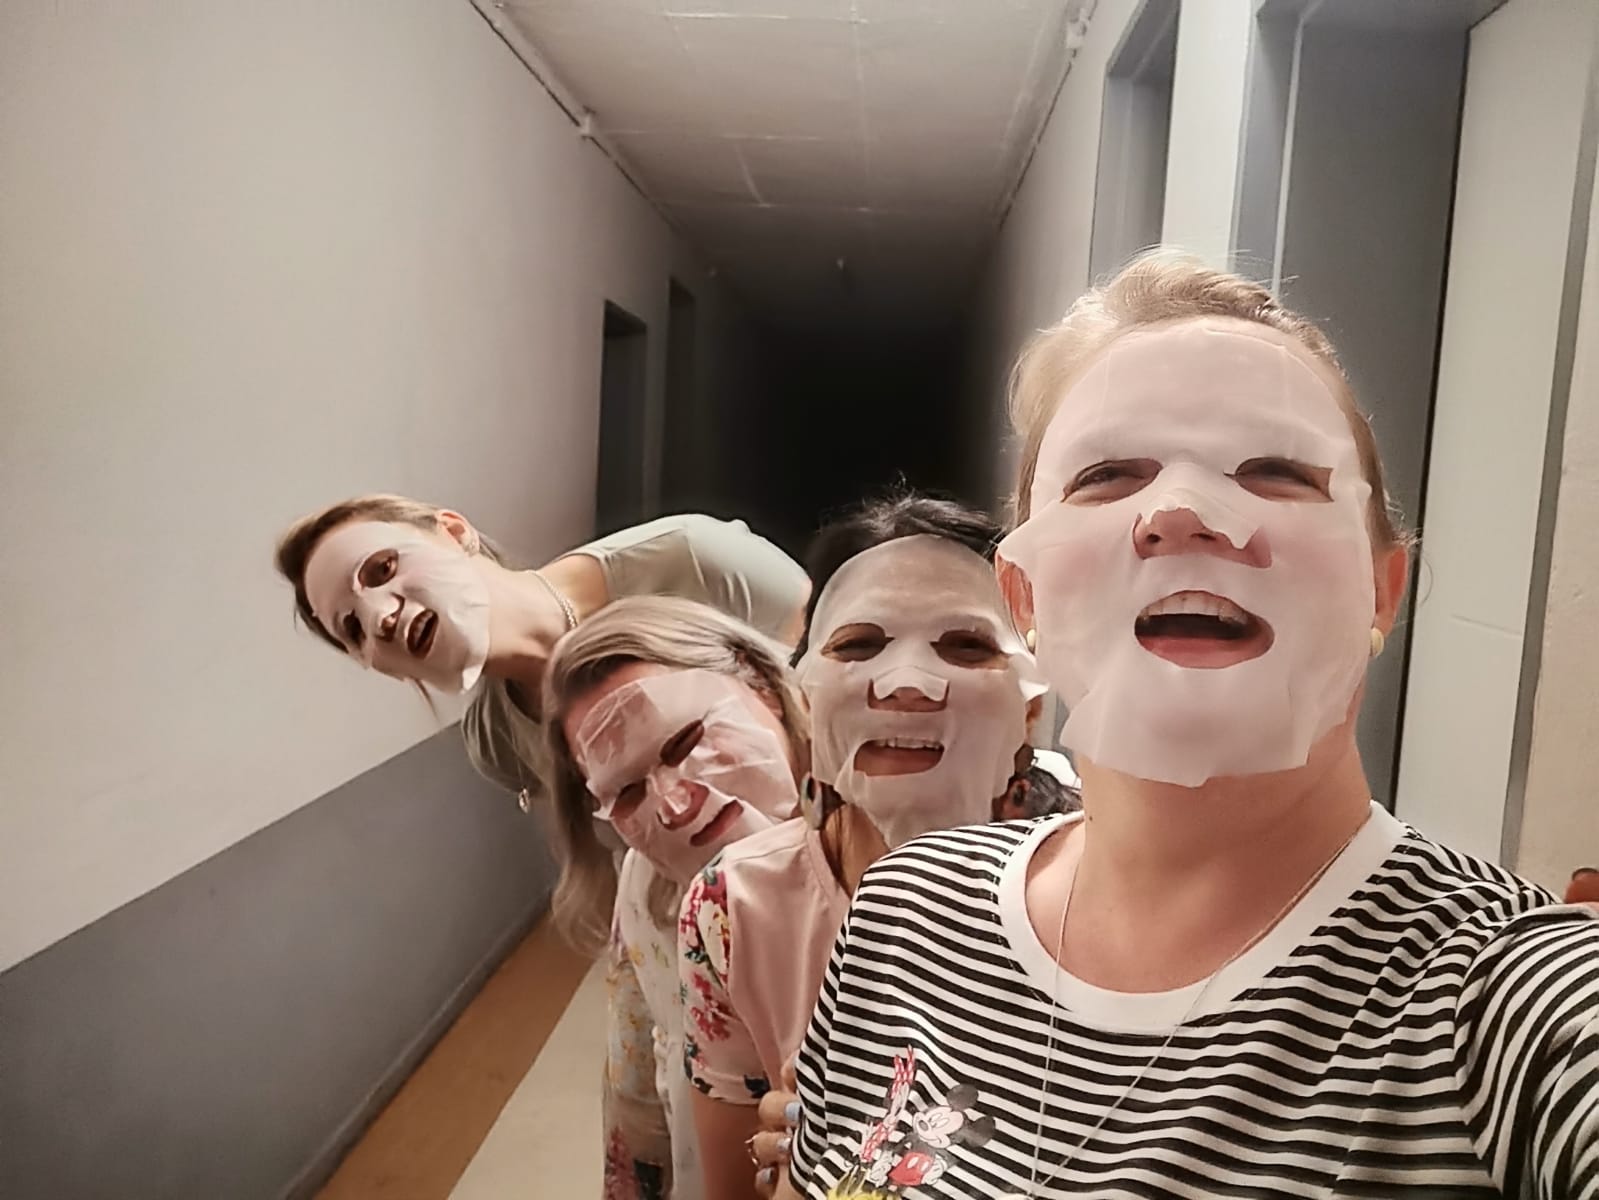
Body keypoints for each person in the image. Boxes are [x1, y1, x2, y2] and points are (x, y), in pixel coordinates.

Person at [759, 253, 1598, 1198]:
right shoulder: (906, 912)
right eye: (1107, 475)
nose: (1182, 513)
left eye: (1277, 471)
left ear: (1381, 587)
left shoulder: (1496, 999)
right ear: (1023, 595)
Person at [679, 494, 1078, 1200]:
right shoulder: (734, 908)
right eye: (859, 644)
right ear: (806, 691)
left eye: (967, 646)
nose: (906, 685)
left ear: (1032, 703)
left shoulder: (1106, 883)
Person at [273, 499, 810, 807]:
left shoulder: (694, 557)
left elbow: (832, 685)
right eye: (353, 629)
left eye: (382, 569)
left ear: (454, 532)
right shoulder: (500, 745)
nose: (380, 618)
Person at [543, 595, 811, 1200]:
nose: (672, 806)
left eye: (685, 742)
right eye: (627, 793)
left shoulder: (900, 843)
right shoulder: (647, 889)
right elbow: (636, 1100)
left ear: (762, 685)